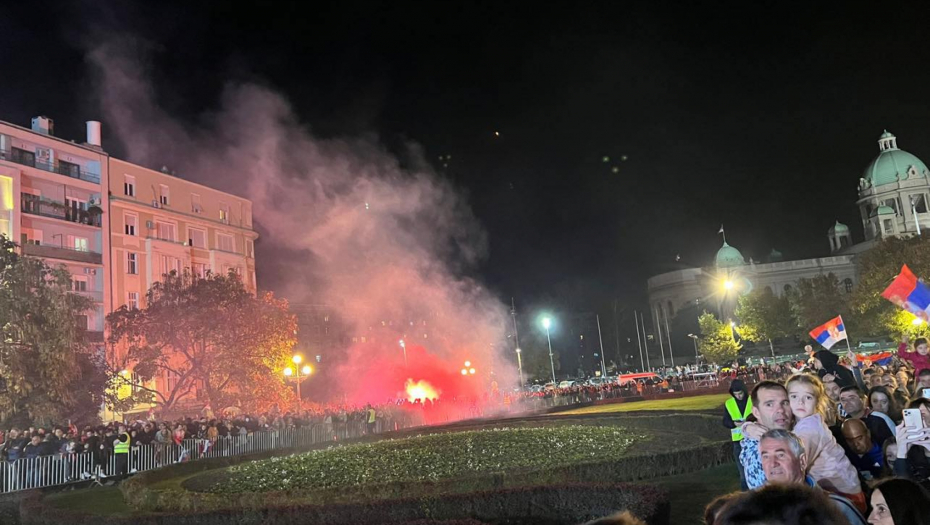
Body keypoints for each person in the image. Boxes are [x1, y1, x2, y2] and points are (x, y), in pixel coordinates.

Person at [784, 373, 864, 511]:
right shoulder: (808, 422)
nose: (800, 402)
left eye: (808, 397)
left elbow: (794, 468)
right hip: (841, 491)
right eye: (794, 396)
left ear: (817, 401)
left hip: (842, 497)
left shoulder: (809, 428)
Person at [756, 428, 866, 525]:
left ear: (802, 461)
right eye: (765, 456)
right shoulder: (754, 509)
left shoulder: (838, 508)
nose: (772, 463)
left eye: (780, 455)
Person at [739, 381, 792, 489]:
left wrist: (746, 427)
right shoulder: (758, 453)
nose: (780, 410)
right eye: (769, 404)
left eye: (785, 403)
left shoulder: (778, 437)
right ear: (756, 412)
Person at [722, 379, 753, 489]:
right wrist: (733, 423)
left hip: (753, 440)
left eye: (740, 393)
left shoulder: (753, 401)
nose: (739, 396)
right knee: (743, 475)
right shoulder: (729, 403)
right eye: (736, 394)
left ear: (744, 391)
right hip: (738, 442)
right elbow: (725, 421)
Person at [893, 397, 930, 487]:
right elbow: (905, 490)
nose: (925, 424)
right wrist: (901, 454)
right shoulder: (909, 451)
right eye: (920, 418)